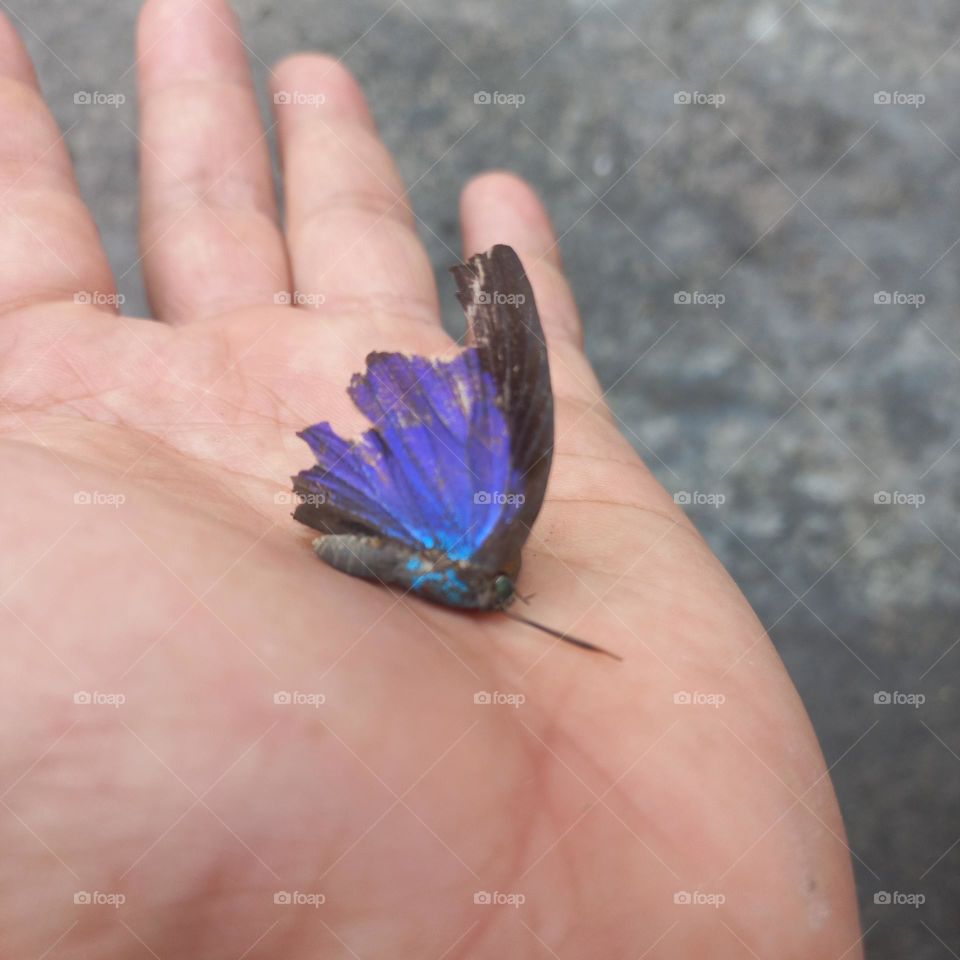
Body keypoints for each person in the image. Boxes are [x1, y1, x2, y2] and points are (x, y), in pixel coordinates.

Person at [0, 0, 862, 955]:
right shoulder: (492, 535)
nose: (503, 593)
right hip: (387, 522)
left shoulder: (489, 542)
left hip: (383, 523)